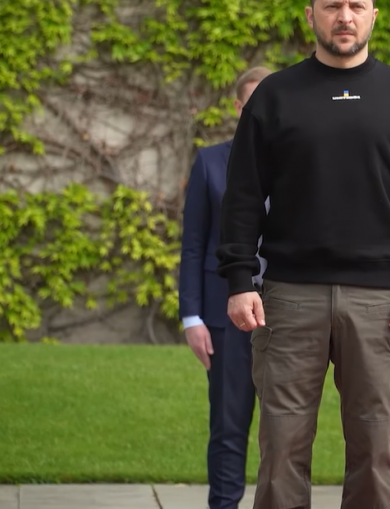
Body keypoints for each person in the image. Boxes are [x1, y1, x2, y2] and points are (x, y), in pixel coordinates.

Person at [216, 0, 390, 509]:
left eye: (355, 6)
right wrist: (239, 279)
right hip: (288, 298)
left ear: (374, 15)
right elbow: (243, 196)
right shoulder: (275, 97)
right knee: (280, 450)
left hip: (381, 303)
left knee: (374, 452)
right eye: (332, 6)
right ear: (311, 15)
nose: (344, 16)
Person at [178, 65, 272, 509]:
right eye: (253, 104)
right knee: (229, 426)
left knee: (286, 430)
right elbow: (193, 244)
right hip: (223, 316)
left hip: (287, 313)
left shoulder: (301, 161)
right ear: (238, 108)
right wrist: (192, 317)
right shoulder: (210, 162)